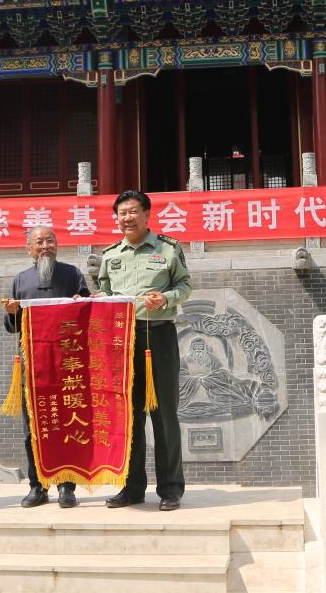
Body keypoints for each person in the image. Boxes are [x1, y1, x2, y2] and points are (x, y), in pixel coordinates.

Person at [96, 190, 192, 511]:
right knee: (128, 416)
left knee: (164, 416)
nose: (128, 218)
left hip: (159, 337)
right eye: (122, 213)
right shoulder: (111, 256)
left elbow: (185, 285)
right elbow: (105, 292)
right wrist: (97, 301)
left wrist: (165, 298)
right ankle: (132, 487)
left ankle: (171, 489)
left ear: (147, 214)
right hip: (122, 341)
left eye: (133, 211)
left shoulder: (168, 249)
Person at [4, 226, 91, 508]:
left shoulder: (73, 275)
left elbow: (90, 313)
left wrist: (82, 302)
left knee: (68, 423)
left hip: (67, 365)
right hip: (33, 367)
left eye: (50, 240)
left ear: (57, 245)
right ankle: (37, 486)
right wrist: (12, 312)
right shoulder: (20, 280)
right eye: (39, 242)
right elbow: (12, 327)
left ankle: (67, 486)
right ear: (29, 248)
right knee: (33, 429)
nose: (45, 246)